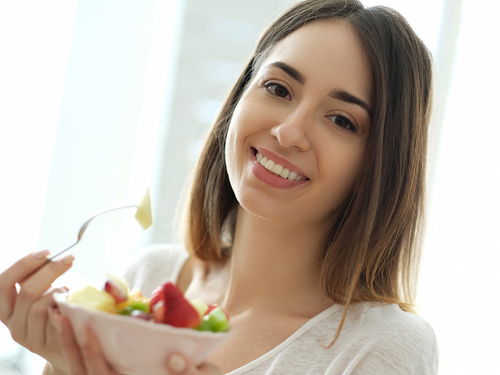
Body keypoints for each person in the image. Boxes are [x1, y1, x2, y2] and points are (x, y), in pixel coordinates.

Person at [0, 0, 438, 373]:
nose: (288, 132)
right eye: (278, 88)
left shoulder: (383, 346)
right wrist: (61, 363)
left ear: (380, 165)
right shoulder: (149, 277)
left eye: (341, 120)